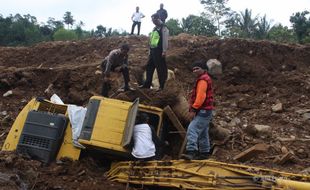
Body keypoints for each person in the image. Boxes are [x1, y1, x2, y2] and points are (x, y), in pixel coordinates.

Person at [181, 60, 214, 160]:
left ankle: (192, 152)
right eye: (193, 69)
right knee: (203, 132)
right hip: (206, 110)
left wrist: (194, 109)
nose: (195, 70)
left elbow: (201, 97)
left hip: (203, 110)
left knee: (192, 129)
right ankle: (204, 153)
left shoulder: (203, 80)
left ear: (204, 69)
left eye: (197, 68)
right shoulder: (204, 79)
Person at [139, 13, 169, 91]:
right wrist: (150, 51)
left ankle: (162, 86)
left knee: (160, 69)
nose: (153, 22)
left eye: (153, 20)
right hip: (153, 51)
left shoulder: (164, 28)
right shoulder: (154, 28)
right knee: (149, 67)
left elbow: (165, 40)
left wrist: (164, 51)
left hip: (159, 51)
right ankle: (147, 84)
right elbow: (151, 40)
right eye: (152, 21)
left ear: (157, 19)